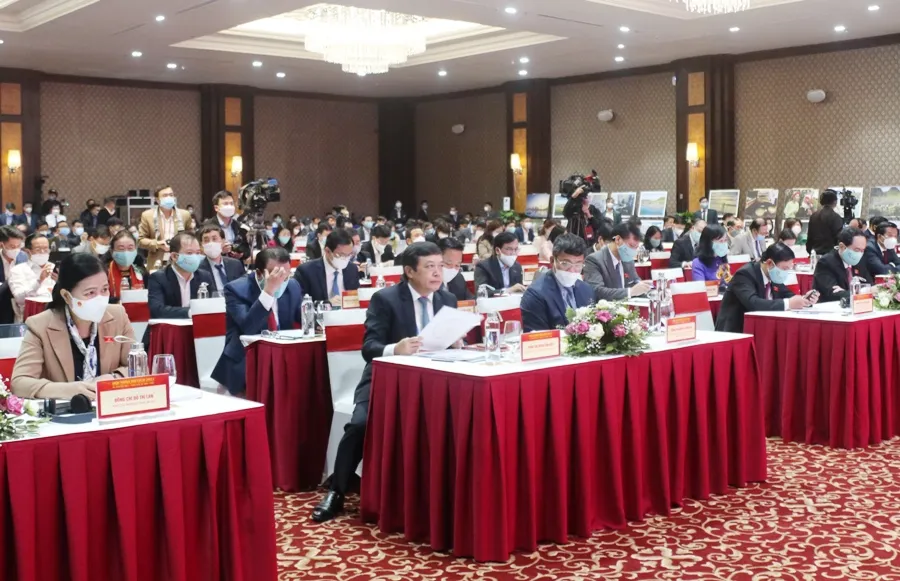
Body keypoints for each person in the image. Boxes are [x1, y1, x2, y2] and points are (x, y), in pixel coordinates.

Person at [312, 242, 458, 522]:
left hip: (433, 380)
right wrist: (395, 348)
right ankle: (337, 491)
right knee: (360, 424)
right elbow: (369, 348)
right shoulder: (386, 299)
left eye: (440, 266)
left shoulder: (447, 299)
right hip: (387, 380)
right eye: (430, 267)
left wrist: (457, 342)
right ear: (409, 271)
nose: (438, 273)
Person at [10, 253, 135, 399]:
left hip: (110, 406)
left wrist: (113, 378)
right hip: (67, 411)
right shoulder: (40, 325)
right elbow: (20, 383)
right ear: (67, 296)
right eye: (90, 293)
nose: (100, 298)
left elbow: (137, 366)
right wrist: (69, 390)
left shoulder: (118, 316)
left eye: (104, 289)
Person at [212, 248, 303, 395]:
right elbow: (248, 327)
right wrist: (268, 292)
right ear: (260, 273)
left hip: (282, 361)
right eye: (275, 274)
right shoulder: (236, 289)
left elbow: (303, 320)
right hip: (246, 363)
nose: (281, 280)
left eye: (285, 275)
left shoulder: (292, 286)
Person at [715, 243, 812, 333]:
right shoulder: (745, 274)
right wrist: (788, 303)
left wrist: (804, 299)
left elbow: (787, 294)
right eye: (784, 268)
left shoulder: (772, 275)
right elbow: (754, 303)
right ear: (769, 263)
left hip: (760, 327)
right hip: (736, 330)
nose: (786, 273)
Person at [521, 234, 594, 332]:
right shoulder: (535, 295)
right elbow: (536, 337)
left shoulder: (587, 290)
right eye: (565, 263)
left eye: (578, 264)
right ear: (552, 261)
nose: (572, 270)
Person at [147, 232, 214, 320]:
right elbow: (157, 310)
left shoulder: (204, 276)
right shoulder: (158, 278)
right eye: (189, 253)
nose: (195, 257)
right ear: (174, 256)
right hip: (169, 326)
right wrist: (190, 312)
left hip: (198, 325)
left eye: (198, 253)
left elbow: (212, 305)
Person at [582, 222, 651, 301]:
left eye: (636, 248)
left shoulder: (628, 260)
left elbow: (635, 282)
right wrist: (630, 292)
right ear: (618, 239)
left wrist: (645, 288)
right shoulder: (594, 260)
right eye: (631, 246)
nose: (633, 251)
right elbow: (597, 291)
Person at [294, 228, 361, 304]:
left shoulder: (352, 269)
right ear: (327, 251)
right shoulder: (307, 271)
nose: (345, 259)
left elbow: (356, 297)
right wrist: (326, 303)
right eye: (340, 255)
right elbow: (298, 302)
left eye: (349, 255)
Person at [139, 186, 194, 269]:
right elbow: (140, 241)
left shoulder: (184, 215)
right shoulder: (147, 216)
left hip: (180, 260)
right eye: (165, 195)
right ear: (157, 200)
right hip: (157, 261)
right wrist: (157, 244)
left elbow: (192, 238)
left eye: (171, 195)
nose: (169, 198)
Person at [813, 227, 872, 303]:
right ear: (842, 246)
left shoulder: (860, 261)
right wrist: (861, 292)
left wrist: (847, 292)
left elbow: (870, 286)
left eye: (862, 250)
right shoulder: (826, 262)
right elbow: (832, 294)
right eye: (857, 250)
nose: (860, 254)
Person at [9, 233, 55, 322]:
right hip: (29, 318)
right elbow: (19, 299)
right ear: (28, 251)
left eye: (46, 249)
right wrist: (39, 281)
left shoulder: (55, 268)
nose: (43, 252)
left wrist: (60, 283)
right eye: (38, 249)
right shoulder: (18, 270)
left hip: (54, 317)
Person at [196, 224, 246, 293]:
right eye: (206, 240)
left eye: (214, 239)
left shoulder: (235, 264)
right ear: (201, 244)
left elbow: (244, 288)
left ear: (223, 241)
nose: (211, 243)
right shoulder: (198, 269)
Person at [205, 190, 250, 262]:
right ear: (216, 208)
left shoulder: (239, 226)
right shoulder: (207, 226)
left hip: (236, 265)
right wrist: (220, 251)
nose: (229, 206)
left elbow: (246, 249)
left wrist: (241, 254)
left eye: (231, 203)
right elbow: (202, 250)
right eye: (225, 204)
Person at [106, 230, 147, 303]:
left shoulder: (142, 272)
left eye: (130, 248)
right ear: (112, 251)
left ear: (136, 250)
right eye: (121, 249)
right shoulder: (105, 273)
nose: (126, 252)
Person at [0, 226, 27, 324]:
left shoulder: (24, 257)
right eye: (12, 247)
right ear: (2, 245)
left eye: (18, 246)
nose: (16, 250)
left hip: (18, 304)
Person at [806, 189, 843, 257]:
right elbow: (838, 238)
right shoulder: (836, 217)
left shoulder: (813, 216)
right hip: (830, 254)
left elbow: (810, 236)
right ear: (835, 202)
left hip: (815, 253)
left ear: (821, 202)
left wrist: (810, 251)